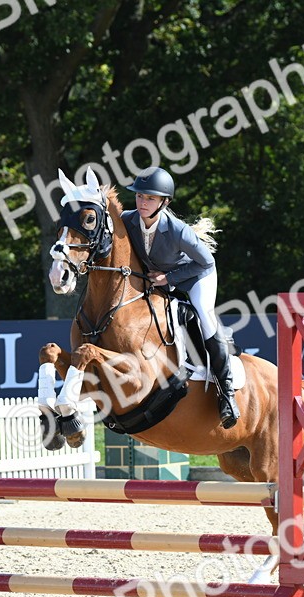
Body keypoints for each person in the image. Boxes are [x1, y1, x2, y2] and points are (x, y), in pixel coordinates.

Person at [122, 167, 240, 429]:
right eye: (140, 196)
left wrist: (169, 278)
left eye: (150, 198)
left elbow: (205, 262)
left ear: (164, 202)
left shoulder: (177, 230)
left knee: (205, 316)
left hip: (196, 275)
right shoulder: (127, 220)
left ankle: (227, 393)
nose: (142, 202)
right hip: (158, 278)